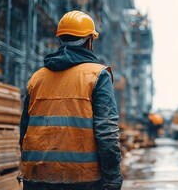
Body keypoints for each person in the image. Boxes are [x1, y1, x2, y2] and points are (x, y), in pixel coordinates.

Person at [18, 10, 123, 190]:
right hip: (82, 178)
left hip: (37, 177)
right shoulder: (97, 75)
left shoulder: (37, 78)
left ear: (61, 40)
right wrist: (112, 176)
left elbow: (24, 130)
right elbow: (106, 132)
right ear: (90, 41)